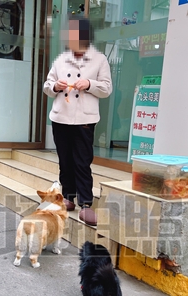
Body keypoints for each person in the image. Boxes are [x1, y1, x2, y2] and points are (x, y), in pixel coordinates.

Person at [43, 17, 112, 226]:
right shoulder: (60, 60)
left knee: (82, 161)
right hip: (60, 117)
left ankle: (86, 204)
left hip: (84, 119)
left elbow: (106, 89)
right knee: (65, 161)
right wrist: (55, 86)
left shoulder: (99, 59)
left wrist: (89, 84)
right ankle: (68, 197)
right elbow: (47, 85)